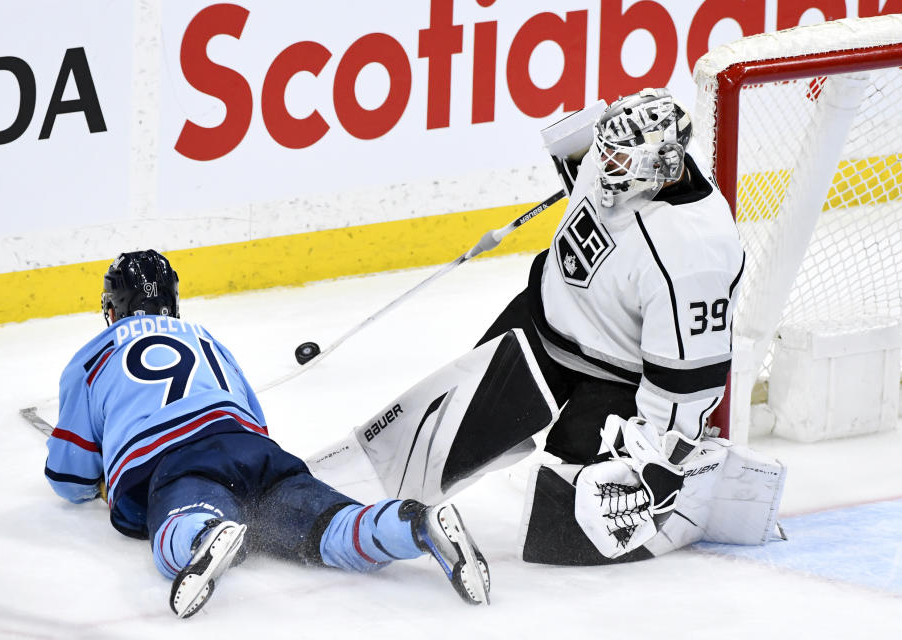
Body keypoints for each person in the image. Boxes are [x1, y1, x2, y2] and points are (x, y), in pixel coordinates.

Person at [44, 250, 490, 618]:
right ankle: (414, 523)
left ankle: (202, 534)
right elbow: (255, 421)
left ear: (110, 310)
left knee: (175, 526)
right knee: (330, 529)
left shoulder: (89, 359)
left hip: (178, 465)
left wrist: (102, 472)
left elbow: (70, 480)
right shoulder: (206, 340)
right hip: (256, 451)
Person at [475, 88, 753, 562]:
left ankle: (692, 493)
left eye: (619, 161)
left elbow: (689, 381)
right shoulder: (616, 167)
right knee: (461, 429)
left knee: (564, 537)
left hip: (614, 378)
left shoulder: (693, 255)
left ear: (663, 165)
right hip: (541, 321)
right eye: (606, 153)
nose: (603, 167)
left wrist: (657, 460)